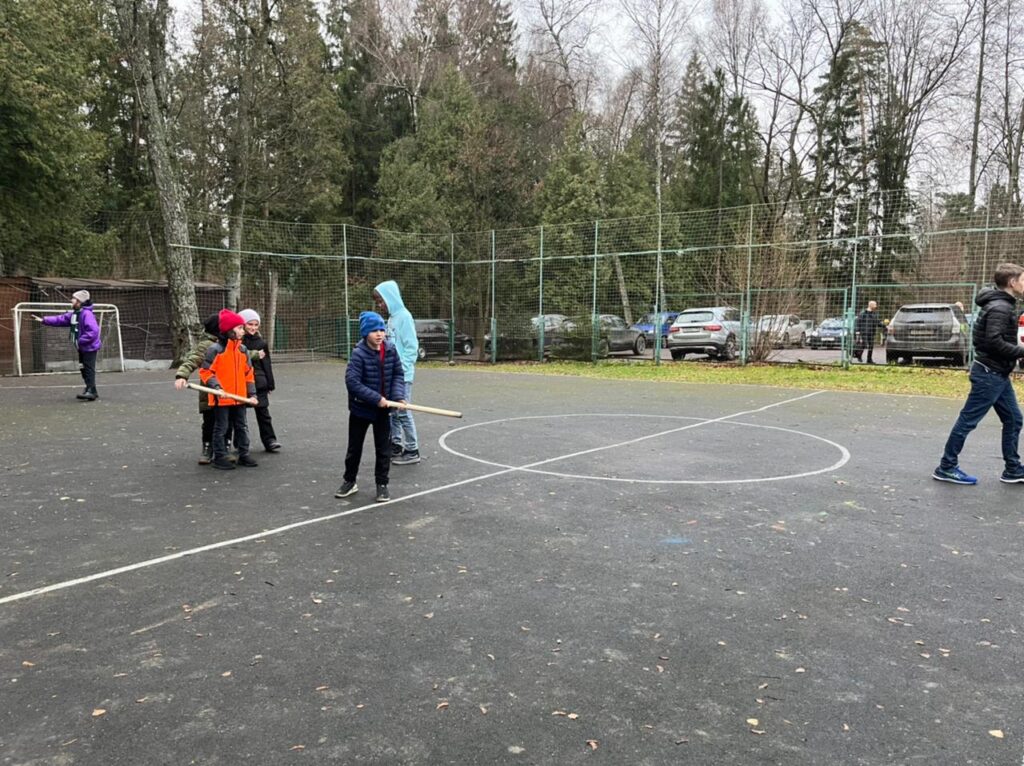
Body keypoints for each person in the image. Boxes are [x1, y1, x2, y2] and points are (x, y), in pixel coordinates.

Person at [933, 263, 1024, 485]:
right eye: (1023, 279)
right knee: (968, 420)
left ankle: (1013, 469)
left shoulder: (1001, 304)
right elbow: (993, 342)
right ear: (1012, 283)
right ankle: (946, 466)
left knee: (1014, 419)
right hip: (989, 374)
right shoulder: (1000, 308)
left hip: (996, 373)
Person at [335, 311, 405, 502]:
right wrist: (376, 398)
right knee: (354, 448)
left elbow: (398, 374)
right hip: (361, 410)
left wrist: (398, 396)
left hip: (383, 411)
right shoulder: (358, 354)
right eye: (375, 330)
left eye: (382, 329)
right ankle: (349, 481)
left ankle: (382, 484)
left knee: (383, 449)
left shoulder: (391, 350)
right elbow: (352, 382)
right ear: (366, 333)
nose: (380, 334)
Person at [199, 309, 260, 471]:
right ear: (229, 330)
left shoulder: (243, 350)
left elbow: (249, 374)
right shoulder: (215, 350)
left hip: (240, 398)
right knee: (221, 427)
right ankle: (219, 456)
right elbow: (206, 372)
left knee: (242, 426)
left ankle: (243, 453)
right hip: (221, 398)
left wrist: (252, 393)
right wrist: (217, 387)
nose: (243, 330)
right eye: (240, 328)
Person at [374, 280, 420, 464]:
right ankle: (396, 443)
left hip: (402, 376)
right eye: (377, 302)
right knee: (392, 410)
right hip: (390, 374)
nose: (380, 305)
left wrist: (402, 370)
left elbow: (411, 348)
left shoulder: (404, 317)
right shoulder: (392, 319)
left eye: (381, 301)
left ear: (390, 298)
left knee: (402, 410)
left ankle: (412, 449)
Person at [32, 290, 102, 400]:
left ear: (79, 301)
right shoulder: (76, 313)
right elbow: (61, 319)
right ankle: (90, 388)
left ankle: (91, 391)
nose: (71, 300)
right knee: (83, 368)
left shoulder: (86, 314)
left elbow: (93, 331)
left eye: (74, 299)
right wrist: (44, 320)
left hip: (89, 348)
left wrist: (80, 340)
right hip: (82, 347)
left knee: (88, 369)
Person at [174, 312, 222, 464]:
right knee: (209, 421)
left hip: (228, 391)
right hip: (209, 392)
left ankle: (224, 448)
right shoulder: (206, 346)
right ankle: (207, 448)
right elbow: (192, 360)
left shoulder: (232, 343)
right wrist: (182, 375)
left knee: (228, 421)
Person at [239, 309, 281, 453]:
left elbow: (266, 364)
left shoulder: (261, 343)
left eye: (256, 325)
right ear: (243, 324)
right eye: (250, 324)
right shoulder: (236, 342)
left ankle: (270, 440)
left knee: (263, 414)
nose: (253, 328)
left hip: (259, 382)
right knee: (239, 415)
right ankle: (240, 442)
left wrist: (270, 383)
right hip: (240, 382)